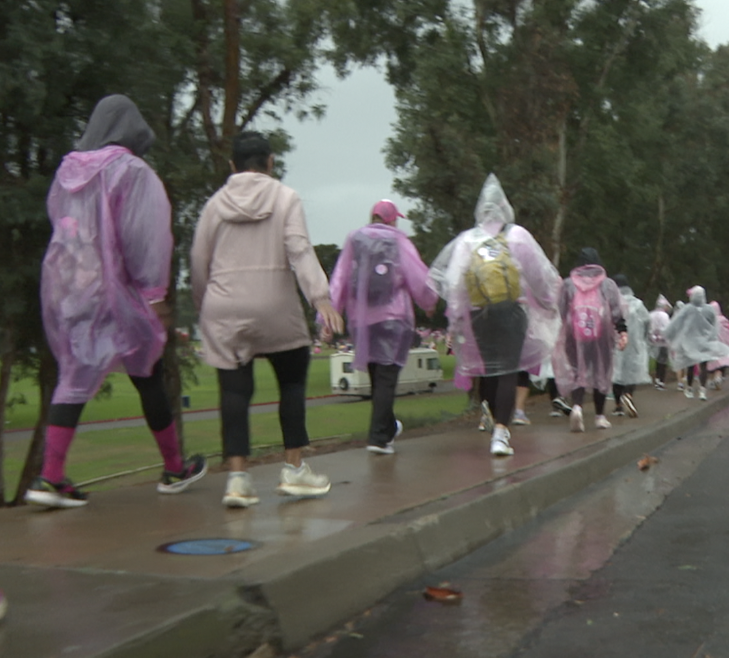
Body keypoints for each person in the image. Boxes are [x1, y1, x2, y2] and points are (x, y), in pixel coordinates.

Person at [28, 95, 208, 508]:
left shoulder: (66, 174)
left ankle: (49, 477)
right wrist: (154, 295)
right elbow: (146, 237)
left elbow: (65, 228)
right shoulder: (132, 172)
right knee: (147, 372)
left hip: (72, 292)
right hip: (120, 293)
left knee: (72, 379)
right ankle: (174, 467)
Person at [191, 131, 344, 508]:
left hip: (223, 304)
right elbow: (300, 250)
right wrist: (320, 296)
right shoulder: (285, 197)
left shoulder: (214, 205)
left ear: (233, 165)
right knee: (291, 381)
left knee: (234, 391)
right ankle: (293, 470)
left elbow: (198, 259)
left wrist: (203, 303)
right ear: (270, 162)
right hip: (274, 302)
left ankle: (238, 479)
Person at [428, 174, 561, 456]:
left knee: (489, 368)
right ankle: (501, 433)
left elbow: (452, 283)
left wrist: (458, 317)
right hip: (513, 310)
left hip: (479, 315)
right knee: (509, 371)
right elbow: (539, 276)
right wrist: (549, 303)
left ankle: (488, 413)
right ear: (505, 207)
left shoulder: (466, 241)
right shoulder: (518, 236)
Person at [326, 199, 437, 455]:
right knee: (387, 378)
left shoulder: (354, 240)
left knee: (378, 379)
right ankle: (377, 438)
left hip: (362, 320)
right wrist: (429, 301)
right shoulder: (398, 241)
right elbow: (417, 276)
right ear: (392, 219)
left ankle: (387, 428)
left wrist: (329, 316)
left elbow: (340, 278)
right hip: (393, 317)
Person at [552, 248, 627, 431]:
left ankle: (577, 407)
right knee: (601, 373)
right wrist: (623, 332)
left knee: (578, 372)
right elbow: (617, 310)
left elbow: (560, 310)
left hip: (573, 335)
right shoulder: (608, 284)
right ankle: (600, 416)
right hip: (601, 336)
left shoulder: (569, 284)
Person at [663, 286, 729, 401]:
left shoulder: (688, 308)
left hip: (690, 341)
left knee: (691, 365)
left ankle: (690, 387)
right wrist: (712, 338)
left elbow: (676, 322)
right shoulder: (709, 309)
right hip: (704, 341)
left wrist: (667, 333)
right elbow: (714, 325)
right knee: (703, 366)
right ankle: (702, 390)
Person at [611, 274, 650, 417]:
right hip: (634, 342)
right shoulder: (638, 304)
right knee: (632, 370)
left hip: (617, 341)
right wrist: (643, 337)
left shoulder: (612, 303)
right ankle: (628, 394)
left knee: (617, 372)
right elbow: (646, 321)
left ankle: (618, 406)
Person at [648, 295, 672, 389]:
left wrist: (652, 337)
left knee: (657, 360)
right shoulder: (664, 316)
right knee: (663, 361)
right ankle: (661, 381)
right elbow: (667, 328)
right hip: (663, 342)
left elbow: (649, 328)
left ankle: (657, 378)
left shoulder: (651, 314)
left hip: (653, 340)